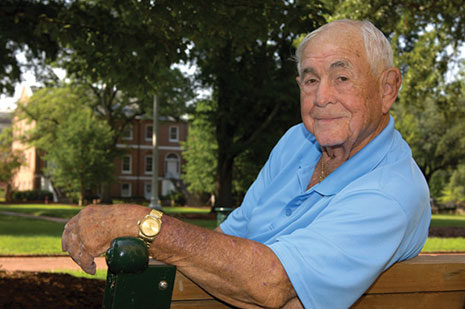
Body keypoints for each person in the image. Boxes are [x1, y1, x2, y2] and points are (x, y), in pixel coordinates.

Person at [62, 19, 431, 308]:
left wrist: (143, 225)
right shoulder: (296, 143)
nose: (321, 97)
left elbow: (273, 285)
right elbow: (231, 238)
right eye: (310, 80)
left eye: (342, 77)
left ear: (387, 88)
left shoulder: (390, 192)